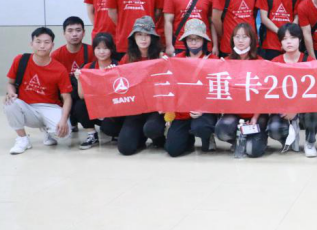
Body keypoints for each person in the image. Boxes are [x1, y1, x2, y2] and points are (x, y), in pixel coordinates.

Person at [4, 27, 72, 155]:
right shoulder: (21, 60)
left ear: (52, 45)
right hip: (26, 106)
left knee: (64, 133)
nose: (42, 46)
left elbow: (67, 97)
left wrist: (63, 119)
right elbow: (10, 83)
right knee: (10, 103)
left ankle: (47, 131)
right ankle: (22, 139)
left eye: (46, 42)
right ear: (31, 44)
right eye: (38, 41)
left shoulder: (59, 69)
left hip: (50, 106)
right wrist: (11, 92)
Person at [105, 16, 166, 156]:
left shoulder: (161, 57)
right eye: (139, 35)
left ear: (152, 37)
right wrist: (110, 73)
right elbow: (119, 84)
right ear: (134, 37)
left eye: (147, 35)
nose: (143, 39)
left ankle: (157, 137)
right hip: (135, 109)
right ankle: (140, 136)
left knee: (153, 129)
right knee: (125, 149)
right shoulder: (127, 58)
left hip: (155, 109)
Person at [165, 19, 219, 157]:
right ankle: (187, 139)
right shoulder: (177, 60)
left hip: (205, 112)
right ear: (185, 41)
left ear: (204, 41)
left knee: (201, 128)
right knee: (173, 150)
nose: (193, 42)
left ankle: (208, 137)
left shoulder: (213, 61)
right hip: (182, 113)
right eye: (190, 39)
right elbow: (171, 86)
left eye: (197, 39)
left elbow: (218, 89)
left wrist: (204, 108)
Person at [268, 23, 317, 158]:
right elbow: (271, 92)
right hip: (283, 109)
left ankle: (310, 142)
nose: (289, 42)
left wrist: (296, 109)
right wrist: (283, 109)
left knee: (314, 109)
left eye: (292, 38)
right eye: (284, 39)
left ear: (300, 39)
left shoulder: (309, 62)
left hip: (304, 107)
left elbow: (315, 92)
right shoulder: (275, 62)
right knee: (274, 129)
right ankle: (287, 139)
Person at [214, 23, 267, 157]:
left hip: (256, 114)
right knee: (222, 131)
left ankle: (252, 138)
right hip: (234, 114)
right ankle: (237, 139)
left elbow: (263, 94)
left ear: (252, 40)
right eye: (237, 37)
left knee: (252, 151)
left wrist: (255, 117)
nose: (240, 40)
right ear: (232, 39)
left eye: (245, 37)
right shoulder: (226, 62)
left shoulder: (260, 62)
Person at [73, 32, 118, 150]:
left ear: (111, 49)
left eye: (105, 48)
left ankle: (117, 133)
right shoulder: (88, 67)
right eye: (98, 48)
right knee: (79, 105)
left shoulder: (118, 66)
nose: (101, 52)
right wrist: (79, 79)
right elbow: (82, 96)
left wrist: (115, 74)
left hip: (114, 111)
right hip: (97, 109)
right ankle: (92, 135)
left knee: (109, 129)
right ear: (93, 50)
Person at [51, 16, 91, 133]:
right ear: (64, 33)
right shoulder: (56, 55)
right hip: (65, 93)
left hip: (85, 93)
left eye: (78, 30)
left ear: (84, 33)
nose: (74, 34)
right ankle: (71, 120)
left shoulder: (92, 51)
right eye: (70, 30)